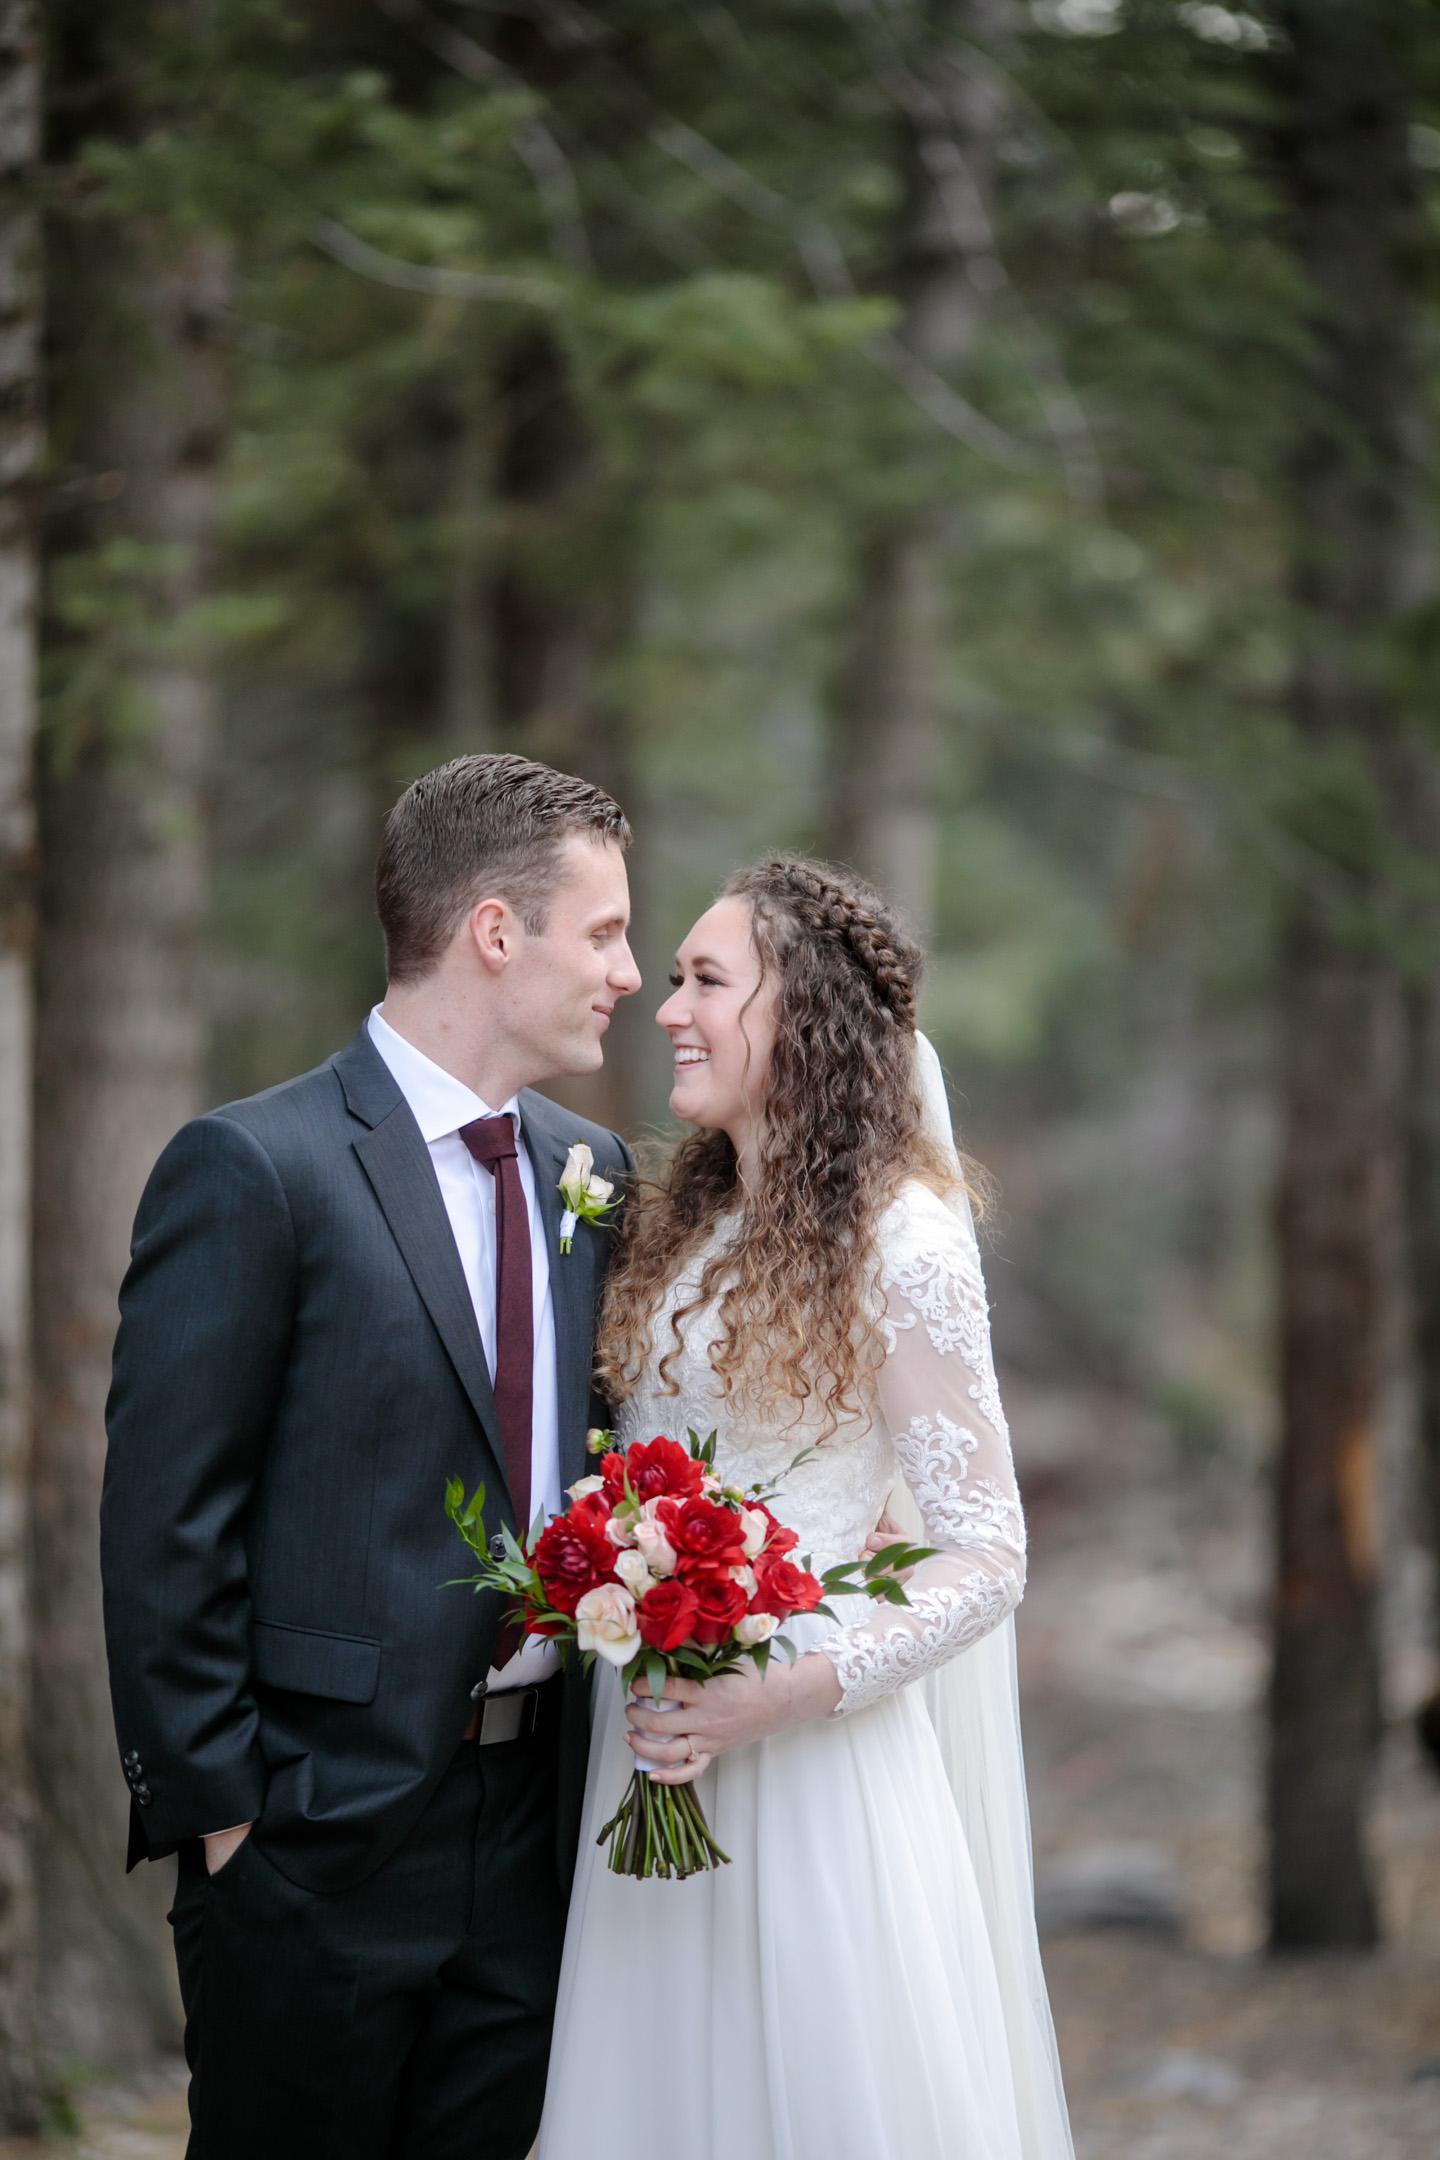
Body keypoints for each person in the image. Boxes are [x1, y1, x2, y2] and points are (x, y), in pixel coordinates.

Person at [100, 753, 641, 2160]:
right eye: (605, 932)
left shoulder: (598, 1176)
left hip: (535, 1830)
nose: (629, 973)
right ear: (495, 932)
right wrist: (227, 1822)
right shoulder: (254, 1167)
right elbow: (166, 1522)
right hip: (310, 1835)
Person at [538, 856, 1073, 2160]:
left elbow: (987, 1552)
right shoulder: (689, 1221)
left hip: (813, 1772)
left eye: (707, 980)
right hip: (655, 1744)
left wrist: (784, 1680)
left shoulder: (901, 1241)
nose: (668, 1005)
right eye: (670, 977)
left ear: (805, 1017)